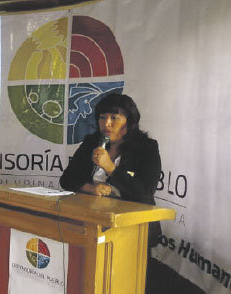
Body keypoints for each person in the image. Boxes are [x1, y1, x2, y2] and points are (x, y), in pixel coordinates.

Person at [60, 93, 164, 292]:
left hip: (131, 230)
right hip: (89, 223)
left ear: (130, 121)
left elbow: (144, 192)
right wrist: (90, 187)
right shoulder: (92, 142)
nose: (106, 123)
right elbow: (67, 180)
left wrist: (111, 168)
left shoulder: (147, 148)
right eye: (102, 117)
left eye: (114, 118)